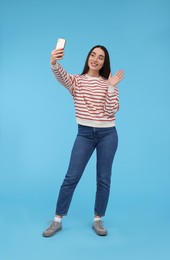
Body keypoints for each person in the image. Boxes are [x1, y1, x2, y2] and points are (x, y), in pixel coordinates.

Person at [42, 43, 124, 237]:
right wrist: (53, 61)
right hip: (85, 134)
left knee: (103, 178)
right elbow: (61, 76)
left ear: (105, 62)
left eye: (100, 57)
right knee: (71, 177)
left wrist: (111, 87)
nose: (95, 59)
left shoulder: (109, 83)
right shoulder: (77, 81)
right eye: (93, 55)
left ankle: (98, 219)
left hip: (108, 135)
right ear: (88, 57)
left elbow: (112, 110)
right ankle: (57, 220)